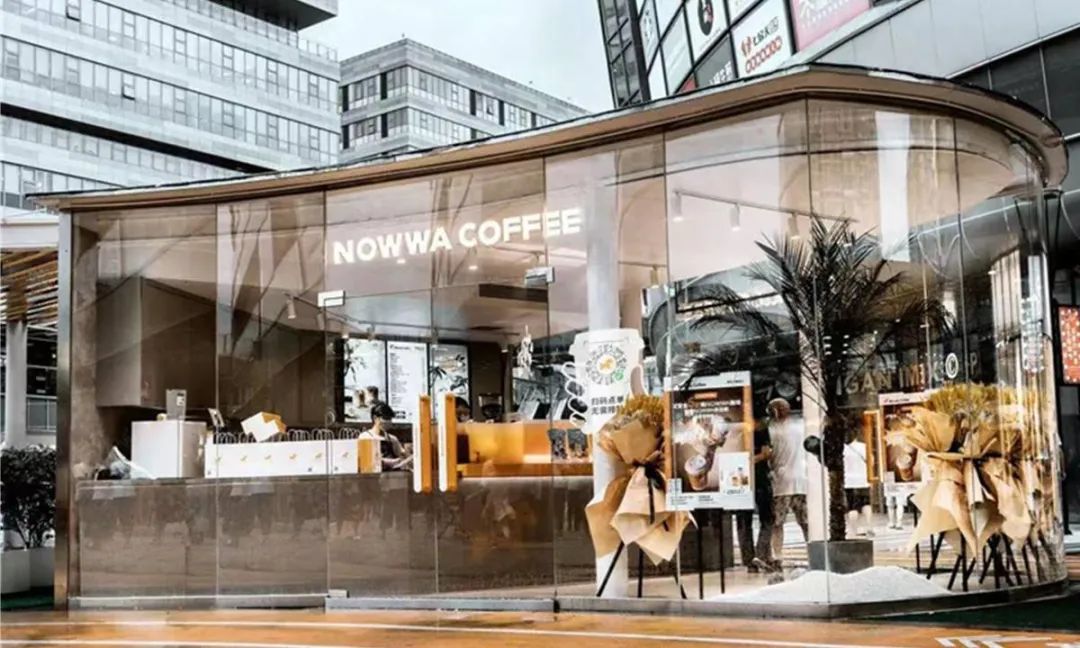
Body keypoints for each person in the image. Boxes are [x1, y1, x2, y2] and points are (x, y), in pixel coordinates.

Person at [765, 398, 809, 569]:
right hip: (799, 481)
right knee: (804, 521)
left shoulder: (771, 429)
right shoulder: (800, 426)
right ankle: (810, 551)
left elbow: (769, 455)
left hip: (781, 483)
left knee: (778, 523)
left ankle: (778, 555)